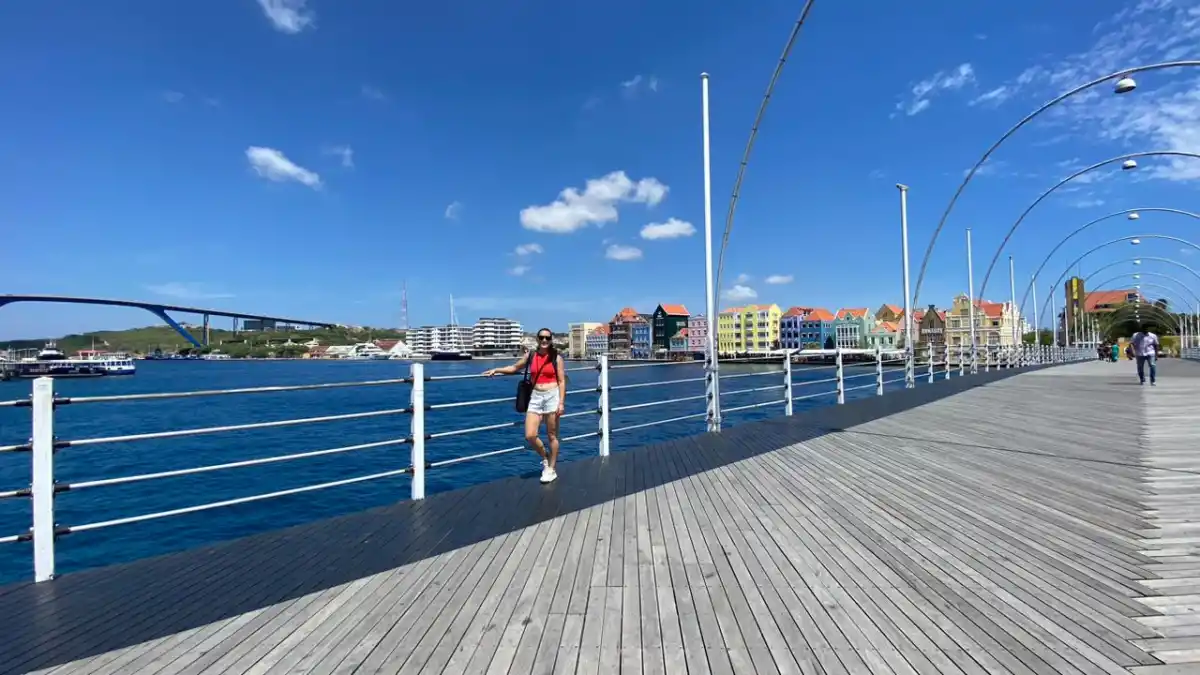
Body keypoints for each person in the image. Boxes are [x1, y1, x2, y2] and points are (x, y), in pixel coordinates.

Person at [483, 328, 565, 483]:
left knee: (552, 435)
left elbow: (561, 381)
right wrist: (496, 369)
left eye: (547, 338)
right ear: (537, 339)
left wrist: (561, 402)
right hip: (535, 396)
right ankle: (545, 457)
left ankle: (551, 469)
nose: (544, 340)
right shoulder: (531, 356)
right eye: (541, 337)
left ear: (551, 339)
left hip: (552, 396)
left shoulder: (557, 358)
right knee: (530, 435)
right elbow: (514, 368)